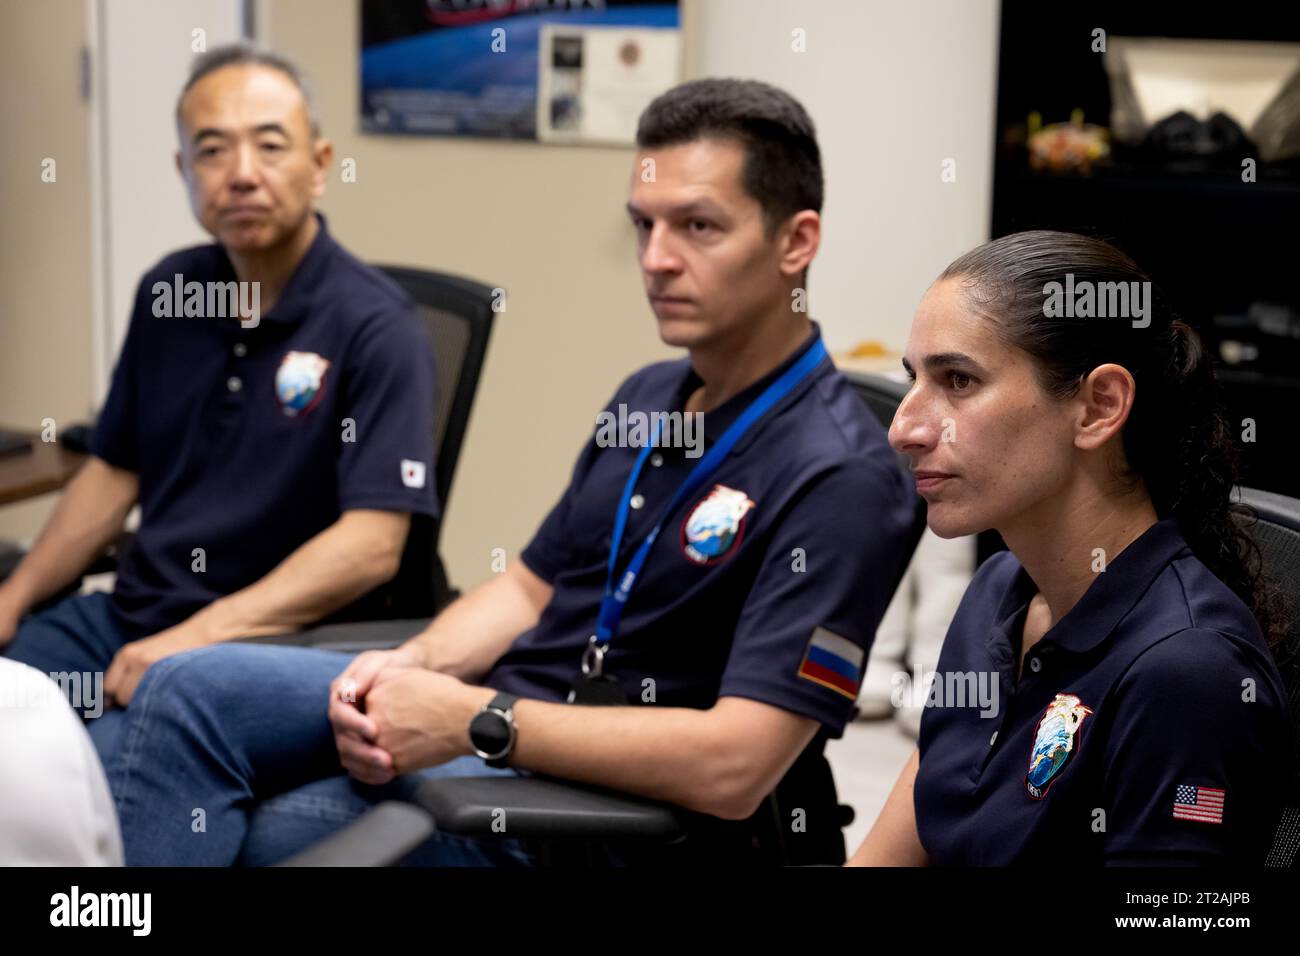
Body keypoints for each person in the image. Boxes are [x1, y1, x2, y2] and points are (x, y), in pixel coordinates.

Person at [103, 77, 919, 866]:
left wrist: (475, 719)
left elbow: (737, 768)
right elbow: (530, 588)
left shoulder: (842, 473)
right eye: (643, 225)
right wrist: (414, 667)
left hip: (589, 813)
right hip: (497, 727)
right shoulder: (648, 395)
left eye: (698, 227)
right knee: (179, 690)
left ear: (796, 241)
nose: (657, 260)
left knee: (249, 825)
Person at [0, 42, 437, 765]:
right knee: (12, 716)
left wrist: (193, 640)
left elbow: (371, 548)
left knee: (97, 766)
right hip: (129, 618)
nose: (241, 174)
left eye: (270, 145)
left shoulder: (376, 327)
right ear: (184, 172)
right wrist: (15, 595)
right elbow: (114, 473)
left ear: (320, 164)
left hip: (265, 648)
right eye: (211, 150)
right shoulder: (168, 292)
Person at [847, 230, 1292, 866]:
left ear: (1098, 407)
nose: (904, 428)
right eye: (913, 379)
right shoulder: (999, 587)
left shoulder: (1186, 674)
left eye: (959, 380)